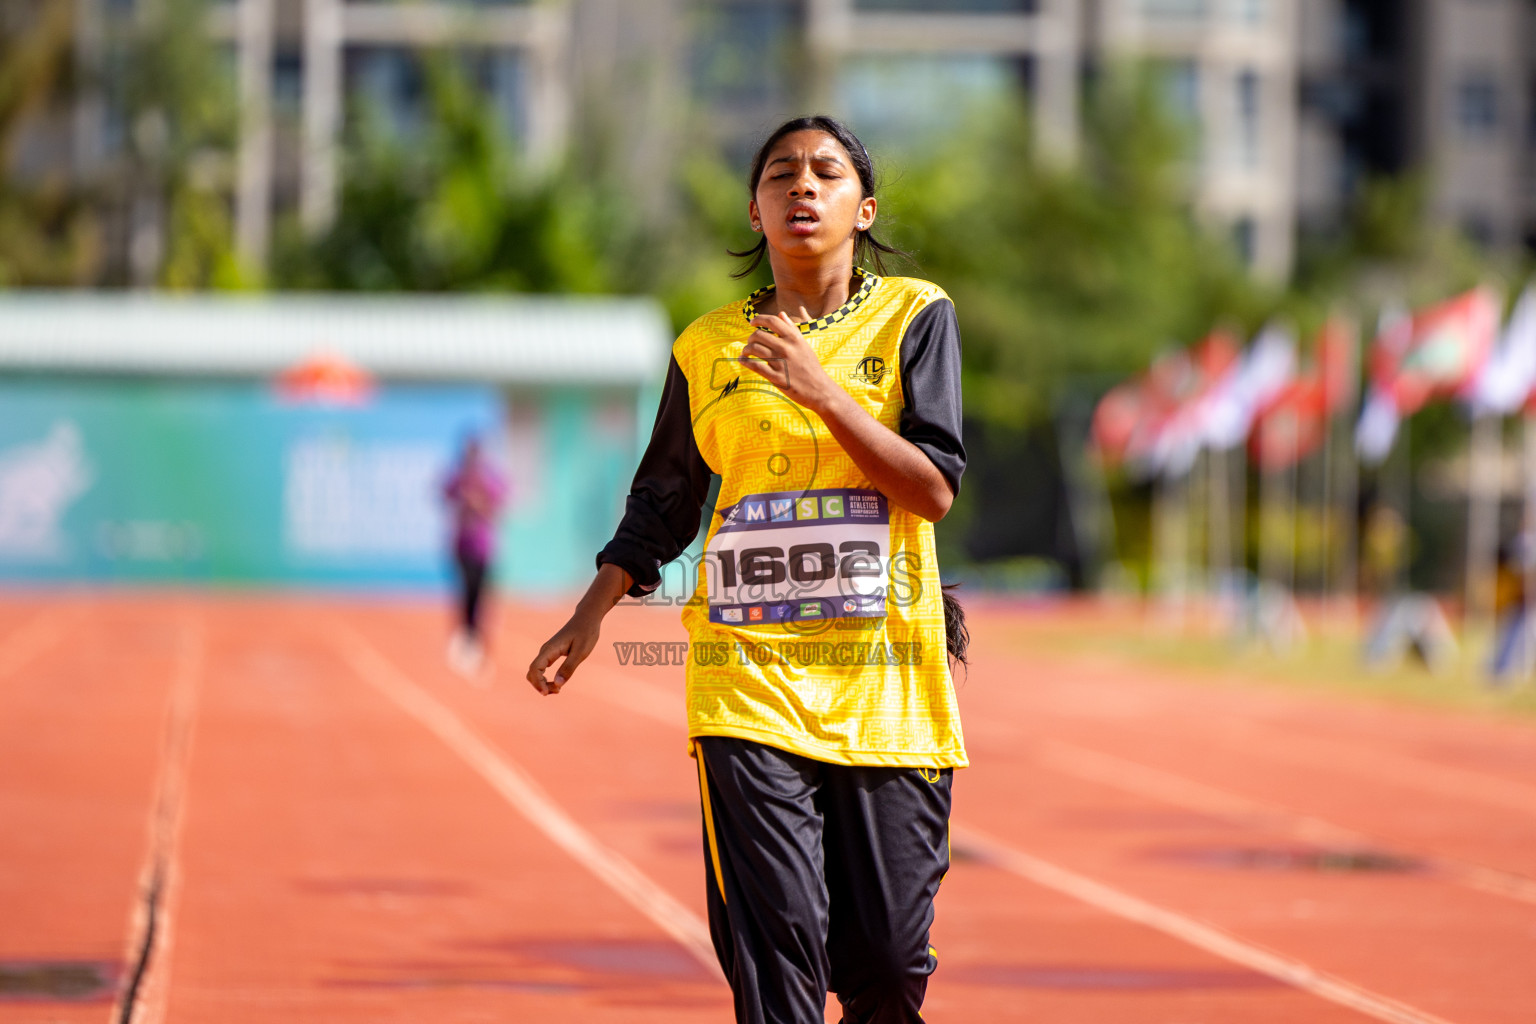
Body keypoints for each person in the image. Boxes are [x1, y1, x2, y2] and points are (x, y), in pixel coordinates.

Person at [528, 115, 968, 1024]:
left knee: (887, 968)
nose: (803, 186)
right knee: (780, 960)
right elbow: (662, 503)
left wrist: (820, 389)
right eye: (781, 175)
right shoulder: (705, 346)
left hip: (886, 686)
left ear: (863, 207)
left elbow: (931, 490)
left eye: (826, 173)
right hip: (744, 682)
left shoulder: (916, 315)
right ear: (757, 211)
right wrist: (592, 610)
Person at [442, 435, 506, 677]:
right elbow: (444, 492)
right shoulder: (459, 475)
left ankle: (477, 641)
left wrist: (480, 502)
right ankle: (467, 638)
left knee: (479, 595)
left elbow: (502, 498)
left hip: (483, 545)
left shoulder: (488, 476)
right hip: (461, 544)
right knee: (466, 593)